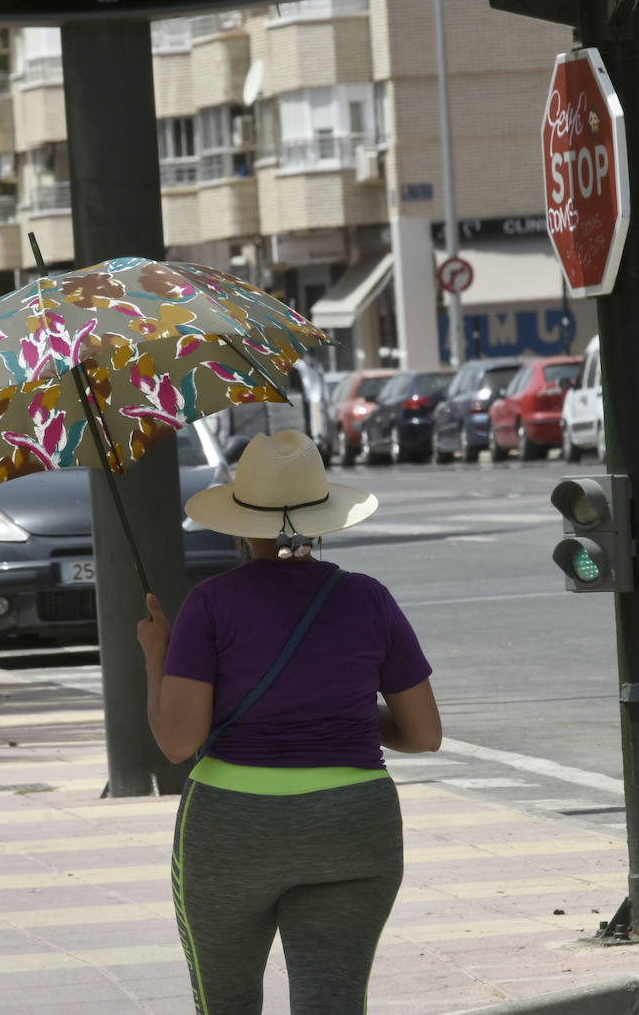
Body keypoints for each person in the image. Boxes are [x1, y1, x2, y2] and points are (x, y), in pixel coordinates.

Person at [137, 428, 441, 1015]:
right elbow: (424, 734)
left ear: (239, 521)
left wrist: (157, 657)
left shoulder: (210, 604)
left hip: (232, 826)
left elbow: (177, 743)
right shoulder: (368, 598)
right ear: (324, 519)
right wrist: (341, 715)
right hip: (354, 822)